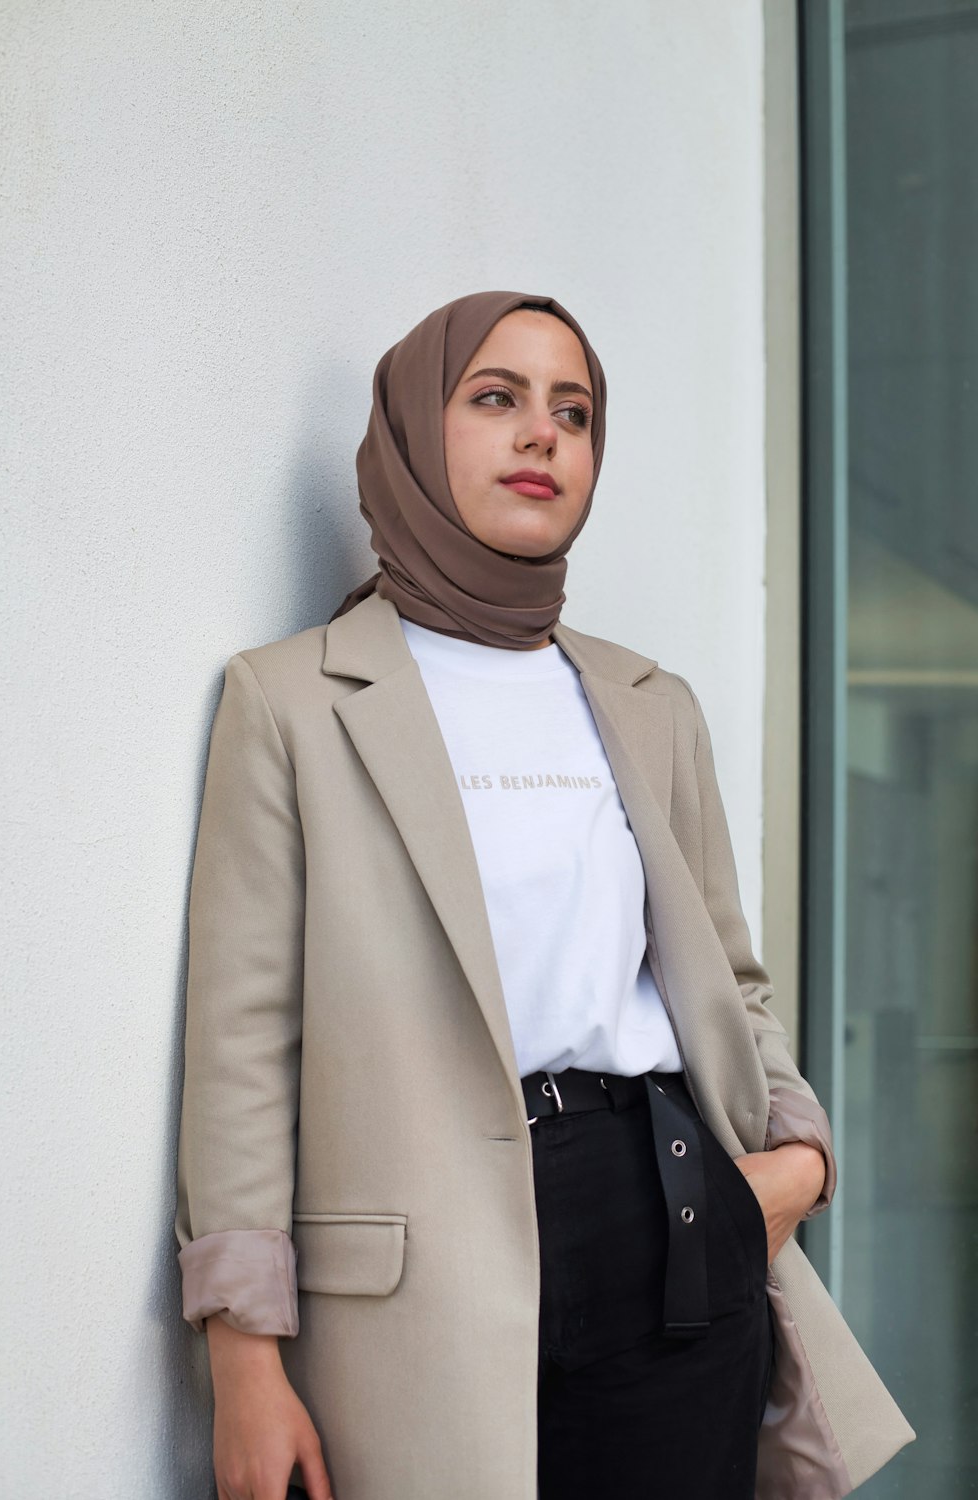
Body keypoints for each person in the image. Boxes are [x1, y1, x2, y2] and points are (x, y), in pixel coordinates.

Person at [174, 290, 913, 1500]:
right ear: (414, 429)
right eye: (496, 399)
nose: (542, 435)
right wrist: (243, 1359)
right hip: (424, 1272)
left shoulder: (644, 700)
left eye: (572, 411)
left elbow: (726, 975)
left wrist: (797, 1161)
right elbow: (245, 1041)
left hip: (675, 1223)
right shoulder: (293, 701)